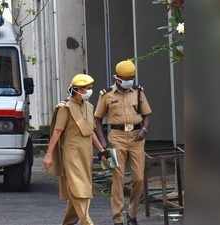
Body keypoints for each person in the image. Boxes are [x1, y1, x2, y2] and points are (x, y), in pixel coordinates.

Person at [94, 60, 152, 225]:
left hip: (136, 138)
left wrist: (144, 130)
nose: (130, 80)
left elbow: (147, 115)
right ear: (117, 78)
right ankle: (118, 218)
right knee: (117, 178)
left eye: (132, 77)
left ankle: (132, 214)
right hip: (116, 138)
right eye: (126, 78)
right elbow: (97, 119)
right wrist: (103, 142)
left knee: (139, 178)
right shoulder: (106, 94)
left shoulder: (138, 92)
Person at [43, 74, 106, 225]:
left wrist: (102, 150)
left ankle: (68, 222)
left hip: (86, 154)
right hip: (71, 154)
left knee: (81, 188)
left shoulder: (89, 107)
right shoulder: (65, 108)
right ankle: (87, 221)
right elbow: (57, 132)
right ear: (76, 90)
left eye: (90, 88)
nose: (89, 91)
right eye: (86, 89)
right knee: (79, 189)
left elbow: (90, 132)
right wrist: (48, 154)